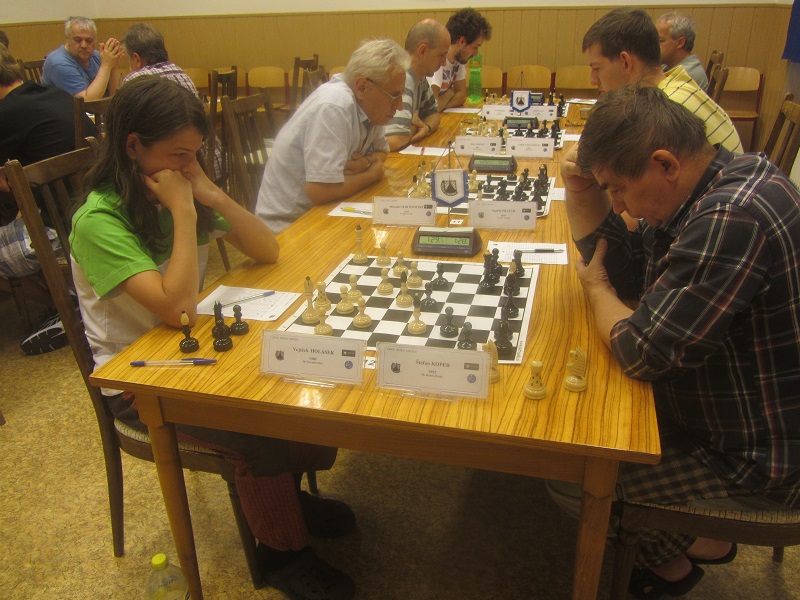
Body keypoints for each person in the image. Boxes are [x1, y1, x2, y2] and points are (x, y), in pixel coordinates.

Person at [69, 76, 356, 600]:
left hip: (193, 350)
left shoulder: (182, 187)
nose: (187, 167)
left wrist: (208, 191)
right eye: (178, 155)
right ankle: (282, 555)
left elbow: (267, 248)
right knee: (255, 431)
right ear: (132, 145)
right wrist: (183, 210)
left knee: (298, 389)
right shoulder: (99, 220)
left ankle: (285, 499)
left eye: (195, 155)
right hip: (139, 383)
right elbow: (178, 309)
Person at [551, 85, 800, 598]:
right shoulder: (718, 181)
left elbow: (643, 350)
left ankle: (675, 558)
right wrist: (582, 191)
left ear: (664, 163)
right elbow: (632, 273)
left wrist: (596, 291)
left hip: (757, 459)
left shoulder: (732, 217)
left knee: (570, 471)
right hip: (728, 410)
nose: (619, 205)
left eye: (619, 189)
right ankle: (688, 538)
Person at [255, 38, 409, 233]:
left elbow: (382, 152)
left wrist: (367, 162)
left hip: (325, 212)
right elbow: (319, 190)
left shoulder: (371, 107)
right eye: (394, 96)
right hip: (287, 227)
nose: (399, 106)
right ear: (362, 87)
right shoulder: (334, 106)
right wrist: (372, 174)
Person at [0, 45, 95, 354]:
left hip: (59, 226)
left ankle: (66, 304)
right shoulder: (55, 94)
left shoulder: (5, 114)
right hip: (93, 213)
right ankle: (70, 296)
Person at [583, 8, 740, 154]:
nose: (593, 81)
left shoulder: (662, 111)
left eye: (597, 68)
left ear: (626, 62)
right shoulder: (675, 83)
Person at [120, 23, 221, 181]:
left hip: (181, 173)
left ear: (137, 58)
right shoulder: (180, 73)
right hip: (210, 163)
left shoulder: (136, 80)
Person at [384, 19, 450, 151]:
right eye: (441, 55)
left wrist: (426, 128)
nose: (444, 63)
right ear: (423, 51)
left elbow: (434, 114)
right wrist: (414, 126)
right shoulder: (403, 80)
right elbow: (394, 141)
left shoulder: (420, 77)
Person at [42, 16, 124, 99]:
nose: (84, 45)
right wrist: (106, 66)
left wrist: (113, 65)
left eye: (89, 40)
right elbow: (87, 102)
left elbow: (116, 96)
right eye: (78, 40)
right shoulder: (58, 63)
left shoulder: (98, 56)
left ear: (95, 41)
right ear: (68, 40)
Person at [428, 8, 492, 112]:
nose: (476, 53)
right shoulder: (438, 61)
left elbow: (462, 96)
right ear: (462, 41)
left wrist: (443, 101)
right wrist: (450, 93)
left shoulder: (459, 59)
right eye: (475, 47)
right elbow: (432, 108)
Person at [656, 12, 708, 90]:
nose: (653, 45)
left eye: (660, 41)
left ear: (680, 42)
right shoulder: (670, 64)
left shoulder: (686, 75)